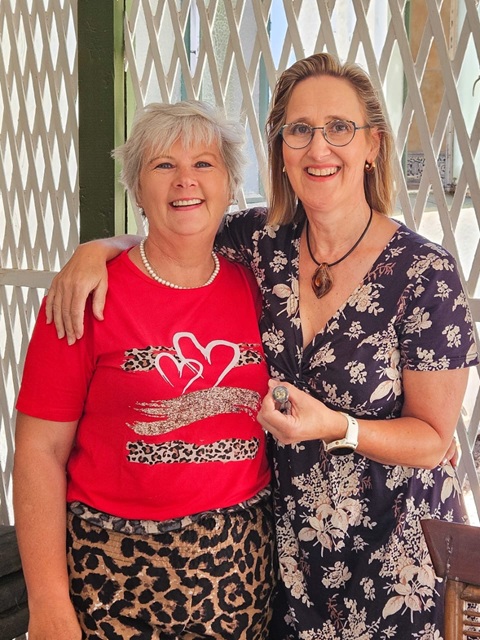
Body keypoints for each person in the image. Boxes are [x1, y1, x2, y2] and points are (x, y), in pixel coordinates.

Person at [44, 53, 478, 639]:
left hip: (399, 563)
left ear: (372, 145)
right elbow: (179, 226)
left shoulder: (425, 272)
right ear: (281, 149)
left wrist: (339, 427)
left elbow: (432, 440)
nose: (318, 148)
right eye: (299, 130)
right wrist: (94, 251)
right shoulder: (261, 243)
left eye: (339, 128)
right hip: (290, 567)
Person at [13, 100, 276, 640]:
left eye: (204, 163)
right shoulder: (83, 297)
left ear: (230, 184)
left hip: (240, 574)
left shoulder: (260, 287)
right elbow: (40, 453)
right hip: (113, 576)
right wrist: (48, 603)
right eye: (163, 165)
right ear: (137, 187)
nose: (186, 180)